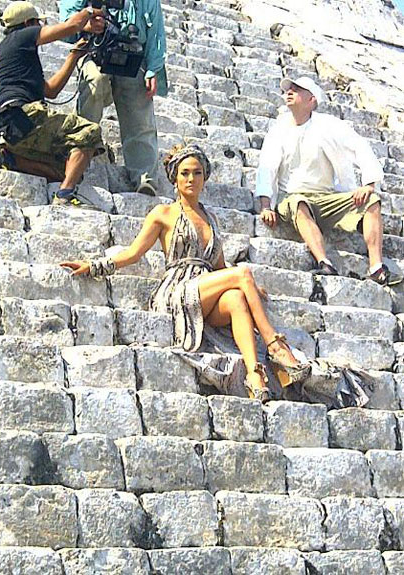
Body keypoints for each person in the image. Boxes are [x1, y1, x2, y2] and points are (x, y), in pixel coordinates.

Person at [61, 144, 310, 403]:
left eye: (197, 173)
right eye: (185, 173)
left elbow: (219, 267)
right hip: (178, 289)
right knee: (243, 273)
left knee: (237, 297)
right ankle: (276, 347)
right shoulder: (163, 213)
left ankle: (254, 375)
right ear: (175, 178)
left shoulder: (211, 218)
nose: (191, 179)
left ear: (205, 177)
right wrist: (95, 266)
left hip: (206, 291)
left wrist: (250, 290)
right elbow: (134, 253)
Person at [256, 76, 402, 287]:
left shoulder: (329, 125)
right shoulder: (278, 129)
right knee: (298, 203)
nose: (290, 92)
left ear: (312, 99)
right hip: (293, 196)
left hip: (328, 197)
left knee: (372, 202)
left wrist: (369, 185)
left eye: (297, 89)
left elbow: (359, 146)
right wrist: (265, 206)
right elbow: (267, 166)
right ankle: (324, 263)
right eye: (289, 89)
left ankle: (377, 268)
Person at [0, 1, 105, 206]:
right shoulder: (22, 36)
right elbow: (71, 26)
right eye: (37, 24)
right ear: (28, 23)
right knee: (90, 132)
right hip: (26, 115)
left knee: (68, 168)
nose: (40, 28)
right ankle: (65, 195)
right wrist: (90, 10)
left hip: (11, 125)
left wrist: (73, 56)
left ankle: (14, 159)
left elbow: (50, 91)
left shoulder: (10, 53)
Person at [59, 0, 167, 196]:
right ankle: (78, 157)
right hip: (94, 50)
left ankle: (144, 177)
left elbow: (156, 33)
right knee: (95, 81)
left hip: (132, 56)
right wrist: (87, 24)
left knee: (139, 105)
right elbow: (67, 22)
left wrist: (153, 68)